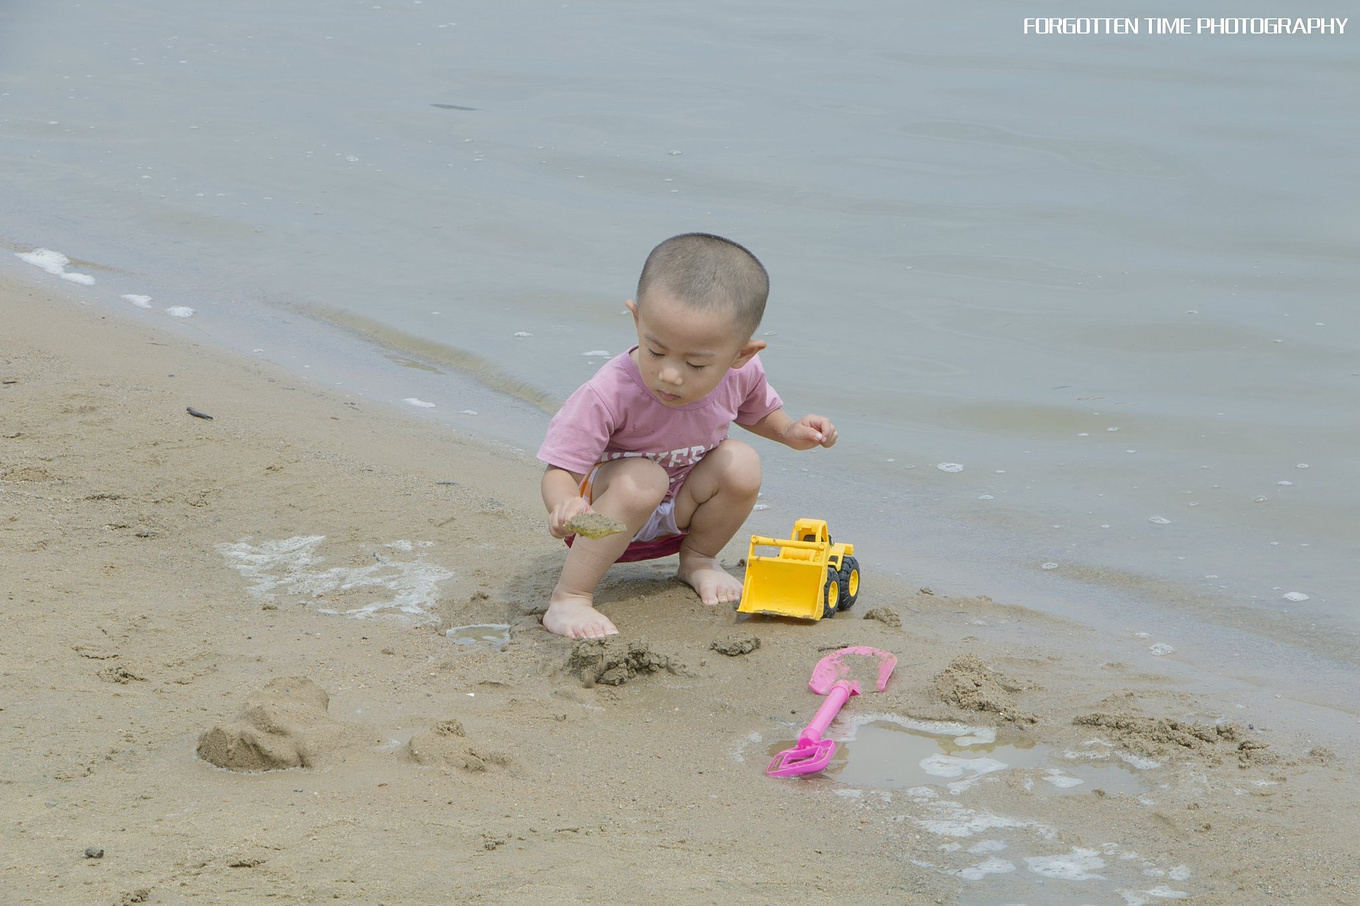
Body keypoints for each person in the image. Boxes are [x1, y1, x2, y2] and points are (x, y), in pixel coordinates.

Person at [536, 233, 838, 638]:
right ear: (637, 319)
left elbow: (760, 412)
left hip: (678, 509)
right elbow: (560, 469)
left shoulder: (741, 374)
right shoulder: (608, 392)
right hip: (605, 516)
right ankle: (569, 597)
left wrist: (790, 431)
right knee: (646, 477)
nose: (670, 374)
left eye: (696, 364)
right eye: (656, 352)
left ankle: (697, 560)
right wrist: (565, 504)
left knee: (742, 462)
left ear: (740, 355)